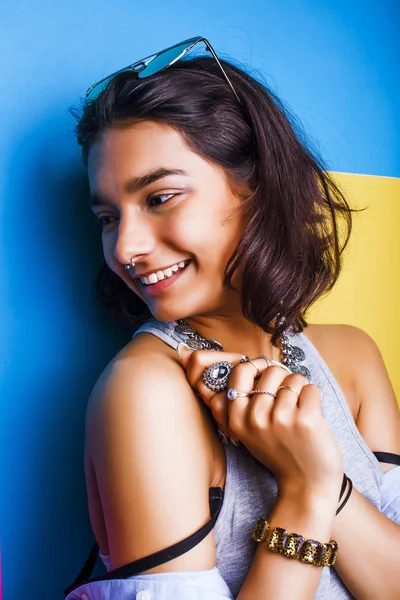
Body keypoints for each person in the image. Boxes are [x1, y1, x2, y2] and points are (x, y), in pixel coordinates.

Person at [65, 37, 400, 599]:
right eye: (106, 217)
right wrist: (302, 490)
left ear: (258, 188)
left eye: (160, 197)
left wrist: (328, 483)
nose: (125, 247)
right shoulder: (146, 390)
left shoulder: (351, 356)